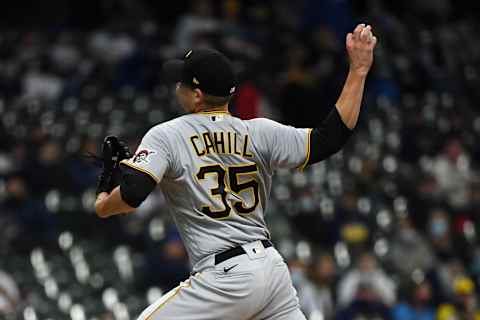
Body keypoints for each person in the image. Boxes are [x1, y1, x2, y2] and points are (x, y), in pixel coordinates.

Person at [94, 23, 377, 320]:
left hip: (225, 277)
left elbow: (132, 194)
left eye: (183, 83)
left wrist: (102, 199)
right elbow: (329, 138)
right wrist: (358, 71)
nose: (177, 87)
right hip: (271, 271)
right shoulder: (259, 131)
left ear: (198, 95)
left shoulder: (167, 135)